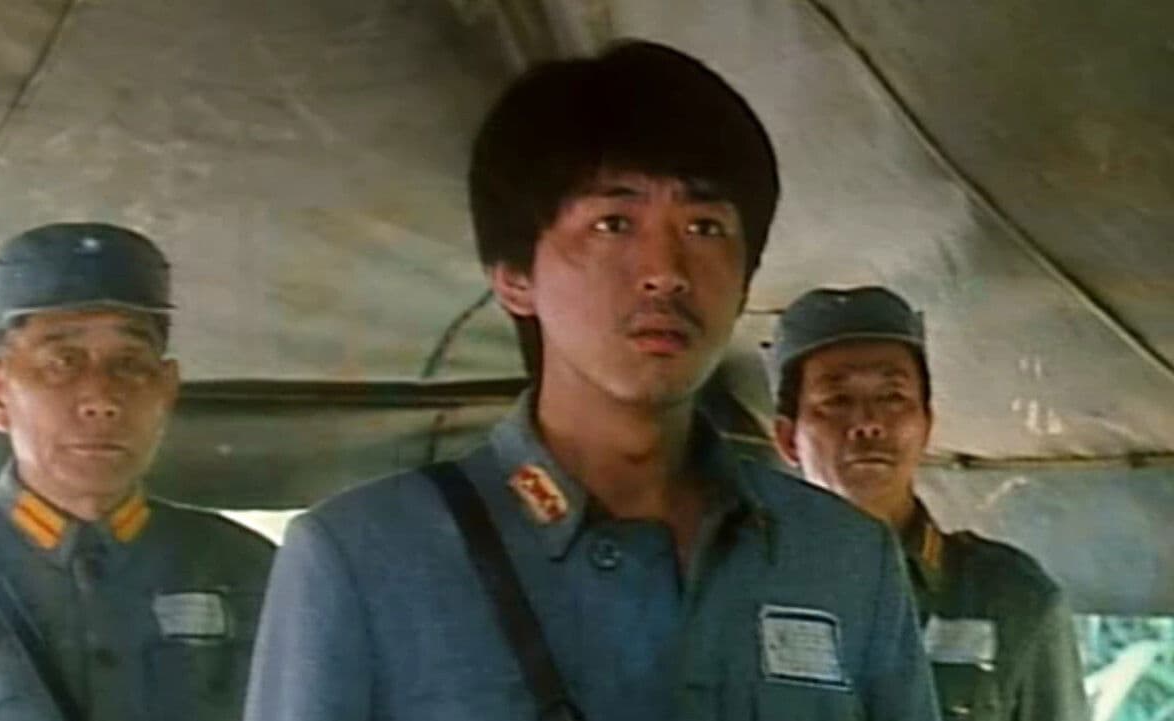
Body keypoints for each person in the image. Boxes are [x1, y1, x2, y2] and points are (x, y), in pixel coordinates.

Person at [244, 41, 939, 721]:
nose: (666, 270)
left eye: (705, 226)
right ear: (515, 276)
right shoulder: (366, 559)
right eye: (614, 223)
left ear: (746, 281)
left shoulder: (844, 559)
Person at [0, 222, 275, 721]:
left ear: (166, 390)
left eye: (130, 364)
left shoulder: (253, 572)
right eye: (61, 362)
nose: (101, 398)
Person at [768, 285, 1089, 721]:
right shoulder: (735, 586)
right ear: (788, 438)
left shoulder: (1008, 597)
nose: (868, 423)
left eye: (893, 397)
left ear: (926, 424)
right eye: (838, 400)